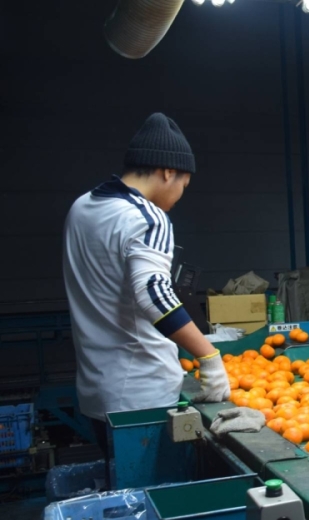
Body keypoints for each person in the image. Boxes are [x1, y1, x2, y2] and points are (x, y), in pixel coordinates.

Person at [63, 112, 231, 478]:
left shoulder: (82, 208)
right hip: (142, 395)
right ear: (168, 172)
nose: (180, 195)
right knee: (152, 508)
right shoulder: (148, 218)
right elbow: (154, 294)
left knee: (122, 499)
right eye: (184, 184)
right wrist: (209, 356)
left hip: (95, 390)